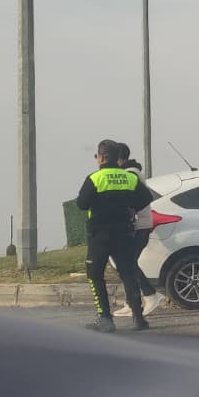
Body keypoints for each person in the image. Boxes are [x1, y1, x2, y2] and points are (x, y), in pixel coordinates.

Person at [75, 139, 154, 332]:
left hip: (99, 234)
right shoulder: (129, 177)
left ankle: (105, 319)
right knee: (128, 273)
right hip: (124, 232)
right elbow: (146, 198)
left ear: (102, 157)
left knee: (95, 275)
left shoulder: (95, 178)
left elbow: (82, 204)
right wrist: (130, 206)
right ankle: (138, 318)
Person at [110, 144, 165, 317]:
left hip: (139, 226)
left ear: (118, 158)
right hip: (138, 225)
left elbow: (133, 199)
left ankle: (150, 295)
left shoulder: (130, 174)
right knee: (125, 264)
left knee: (128, 264)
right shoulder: (131, 171)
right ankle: (131, 301)